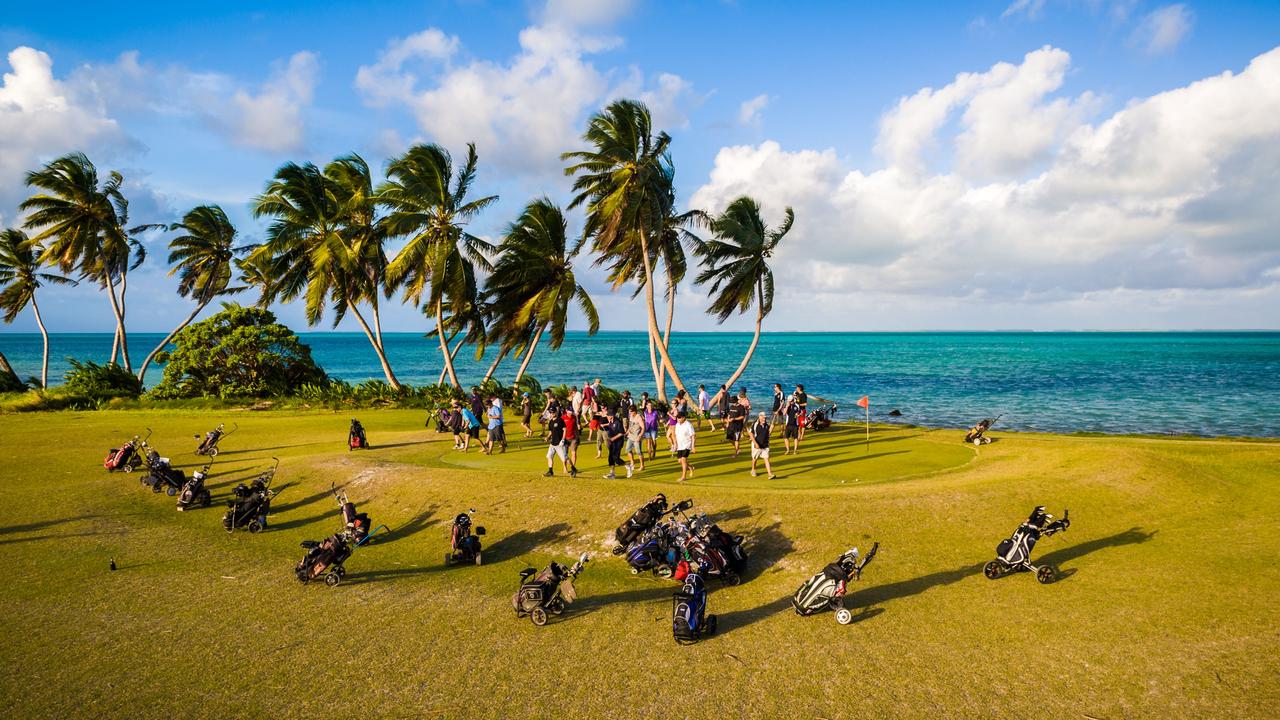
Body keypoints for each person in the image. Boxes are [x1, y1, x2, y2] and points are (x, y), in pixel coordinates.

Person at [544, 410, 572, 477]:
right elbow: (550, 432)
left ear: (556, 412)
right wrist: (547, 437)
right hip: (552, 443)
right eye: (550, 412)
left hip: (559, 443)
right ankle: (550, 471)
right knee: (549, 456)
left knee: (565, 458)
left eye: (553, 412)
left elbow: (565, 429)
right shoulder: (550, 422)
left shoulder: (560, 420)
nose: (552, 413)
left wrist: (562, 439)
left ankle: (573, 468)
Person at [749, 411, 776, 479]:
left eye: (765, 418)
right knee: (755, 459)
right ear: (760, 417)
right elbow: (751, 435)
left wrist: (771, 428)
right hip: (757, 444)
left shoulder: (766, 425)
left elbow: (768, 434)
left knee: (766, 458)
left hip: (765, 445)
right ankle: (753, 470)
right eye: (763, 417)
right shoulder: (755, 424)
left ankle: (770, 474)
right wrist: (755, 443)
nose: (764, 419)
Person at [603, 407, 626, 479]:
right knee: (610, 458)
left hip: (618, 442)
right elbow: (610, 427)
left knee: (616, 457)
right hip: (612, 442)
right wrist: (604, 426)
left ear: (612, 416)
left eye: (608, 415)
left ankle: (628, 466)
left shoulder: (618, 422)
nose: (607, 416)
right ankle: (612, 473)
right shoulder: (610, 422)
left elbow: (622, 433)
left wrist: (613, 438)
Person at [673, 411, 696, 482]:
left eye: (679, 418)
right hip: (680, 446)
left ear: (684, 418)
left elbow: (693, 436)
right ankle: (690, 467)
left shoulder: (688, 425)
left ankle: (683, 477)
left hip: (687, 445)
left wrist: (693, 447)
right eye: (677, 418)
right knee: (680, 461)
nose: (678, 419)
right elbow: (675, 435)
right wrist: (675, 445)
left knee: (683, 460)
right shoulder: (677, 425)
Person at [624, 406, 646, 475]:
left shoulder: (639, 417)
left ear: (634, 411)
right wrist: (626, 432)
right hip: (630, 436)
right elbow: (630, 426)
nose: (629, 413)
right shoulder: (631, 416)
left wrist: (640, 436)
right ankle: (632, 463)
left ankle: (642, 466)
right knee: (628, 449)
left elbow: (643, 427)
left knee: (639, 452)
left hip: (636, 437)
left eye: (630, 411)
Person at [562, 405, 581, 475]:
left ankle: (573, 467)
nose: (570, 413)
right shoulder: (563, 417)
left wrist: (578, 436)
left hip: (573, 438)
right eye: (569, 412)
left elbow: (575, 427)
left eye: (571, 412)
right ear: (566, 411)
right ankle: (565, 468)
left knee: (574, 453)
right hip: (565, 439)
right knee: (565, 455)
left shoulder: (574, 417)